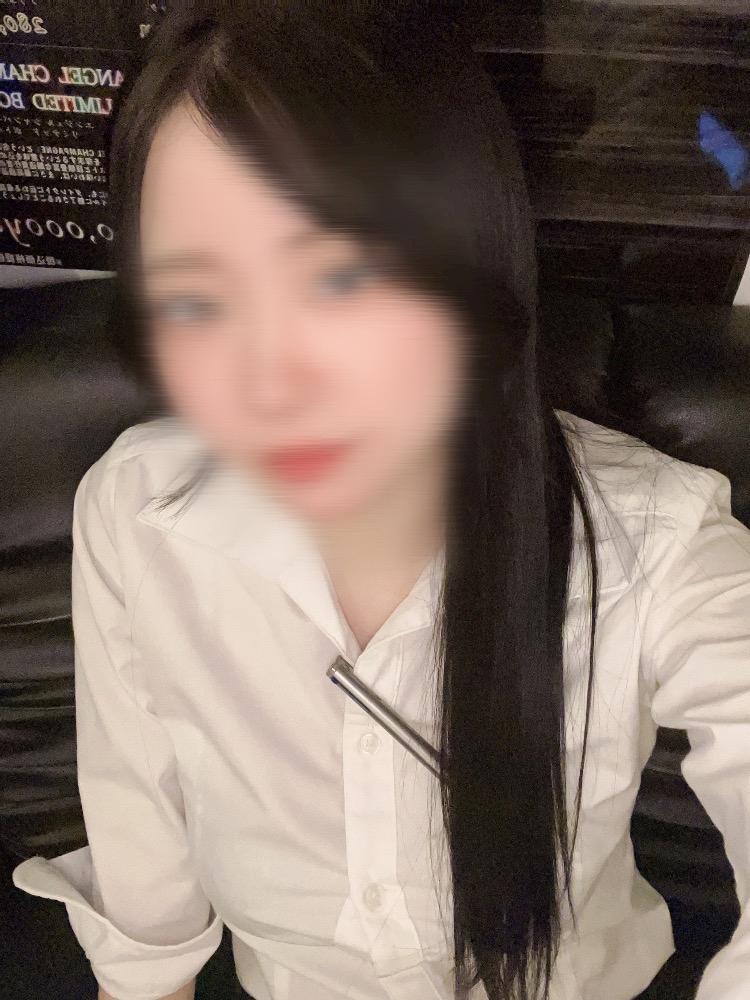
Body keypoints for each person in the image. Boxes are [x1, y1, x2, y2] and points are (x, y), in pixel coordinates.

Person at [11, 4, 750, 1000]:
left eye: (342, 277)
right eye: (196, 301)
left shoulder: (654, 547)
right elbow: (140, 837)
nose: (269, 381)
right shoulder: (136, 513)